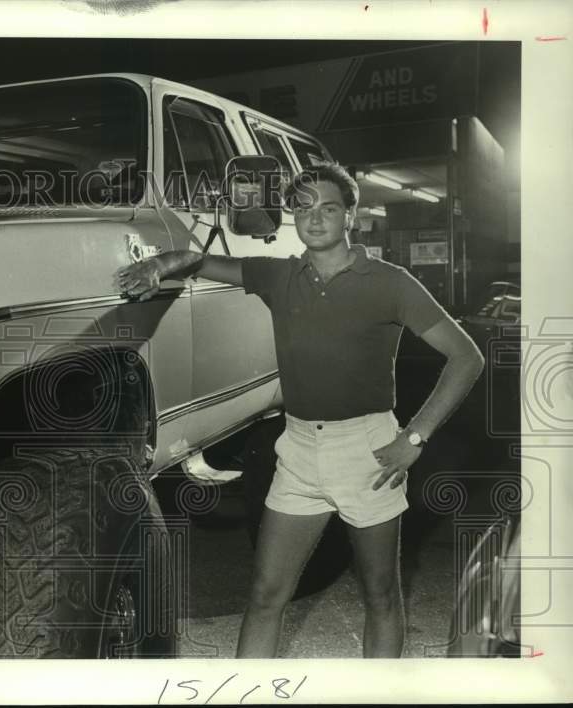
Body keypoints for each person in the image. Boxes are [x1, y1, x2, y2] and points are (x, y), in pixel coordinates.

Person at [115, 162, 484, 658]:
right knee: (267, 594)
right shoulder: (280, 275)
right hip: (298, 452)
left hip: (370, 453)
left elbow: (467, 357)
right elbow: (200, 262)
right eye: (303, 207)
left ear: (349, 216)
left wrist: (414, 437)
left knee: (380, 595)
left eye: (328, 208)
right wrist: (159, 264)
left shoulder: (391, 283)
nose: (315, 218)